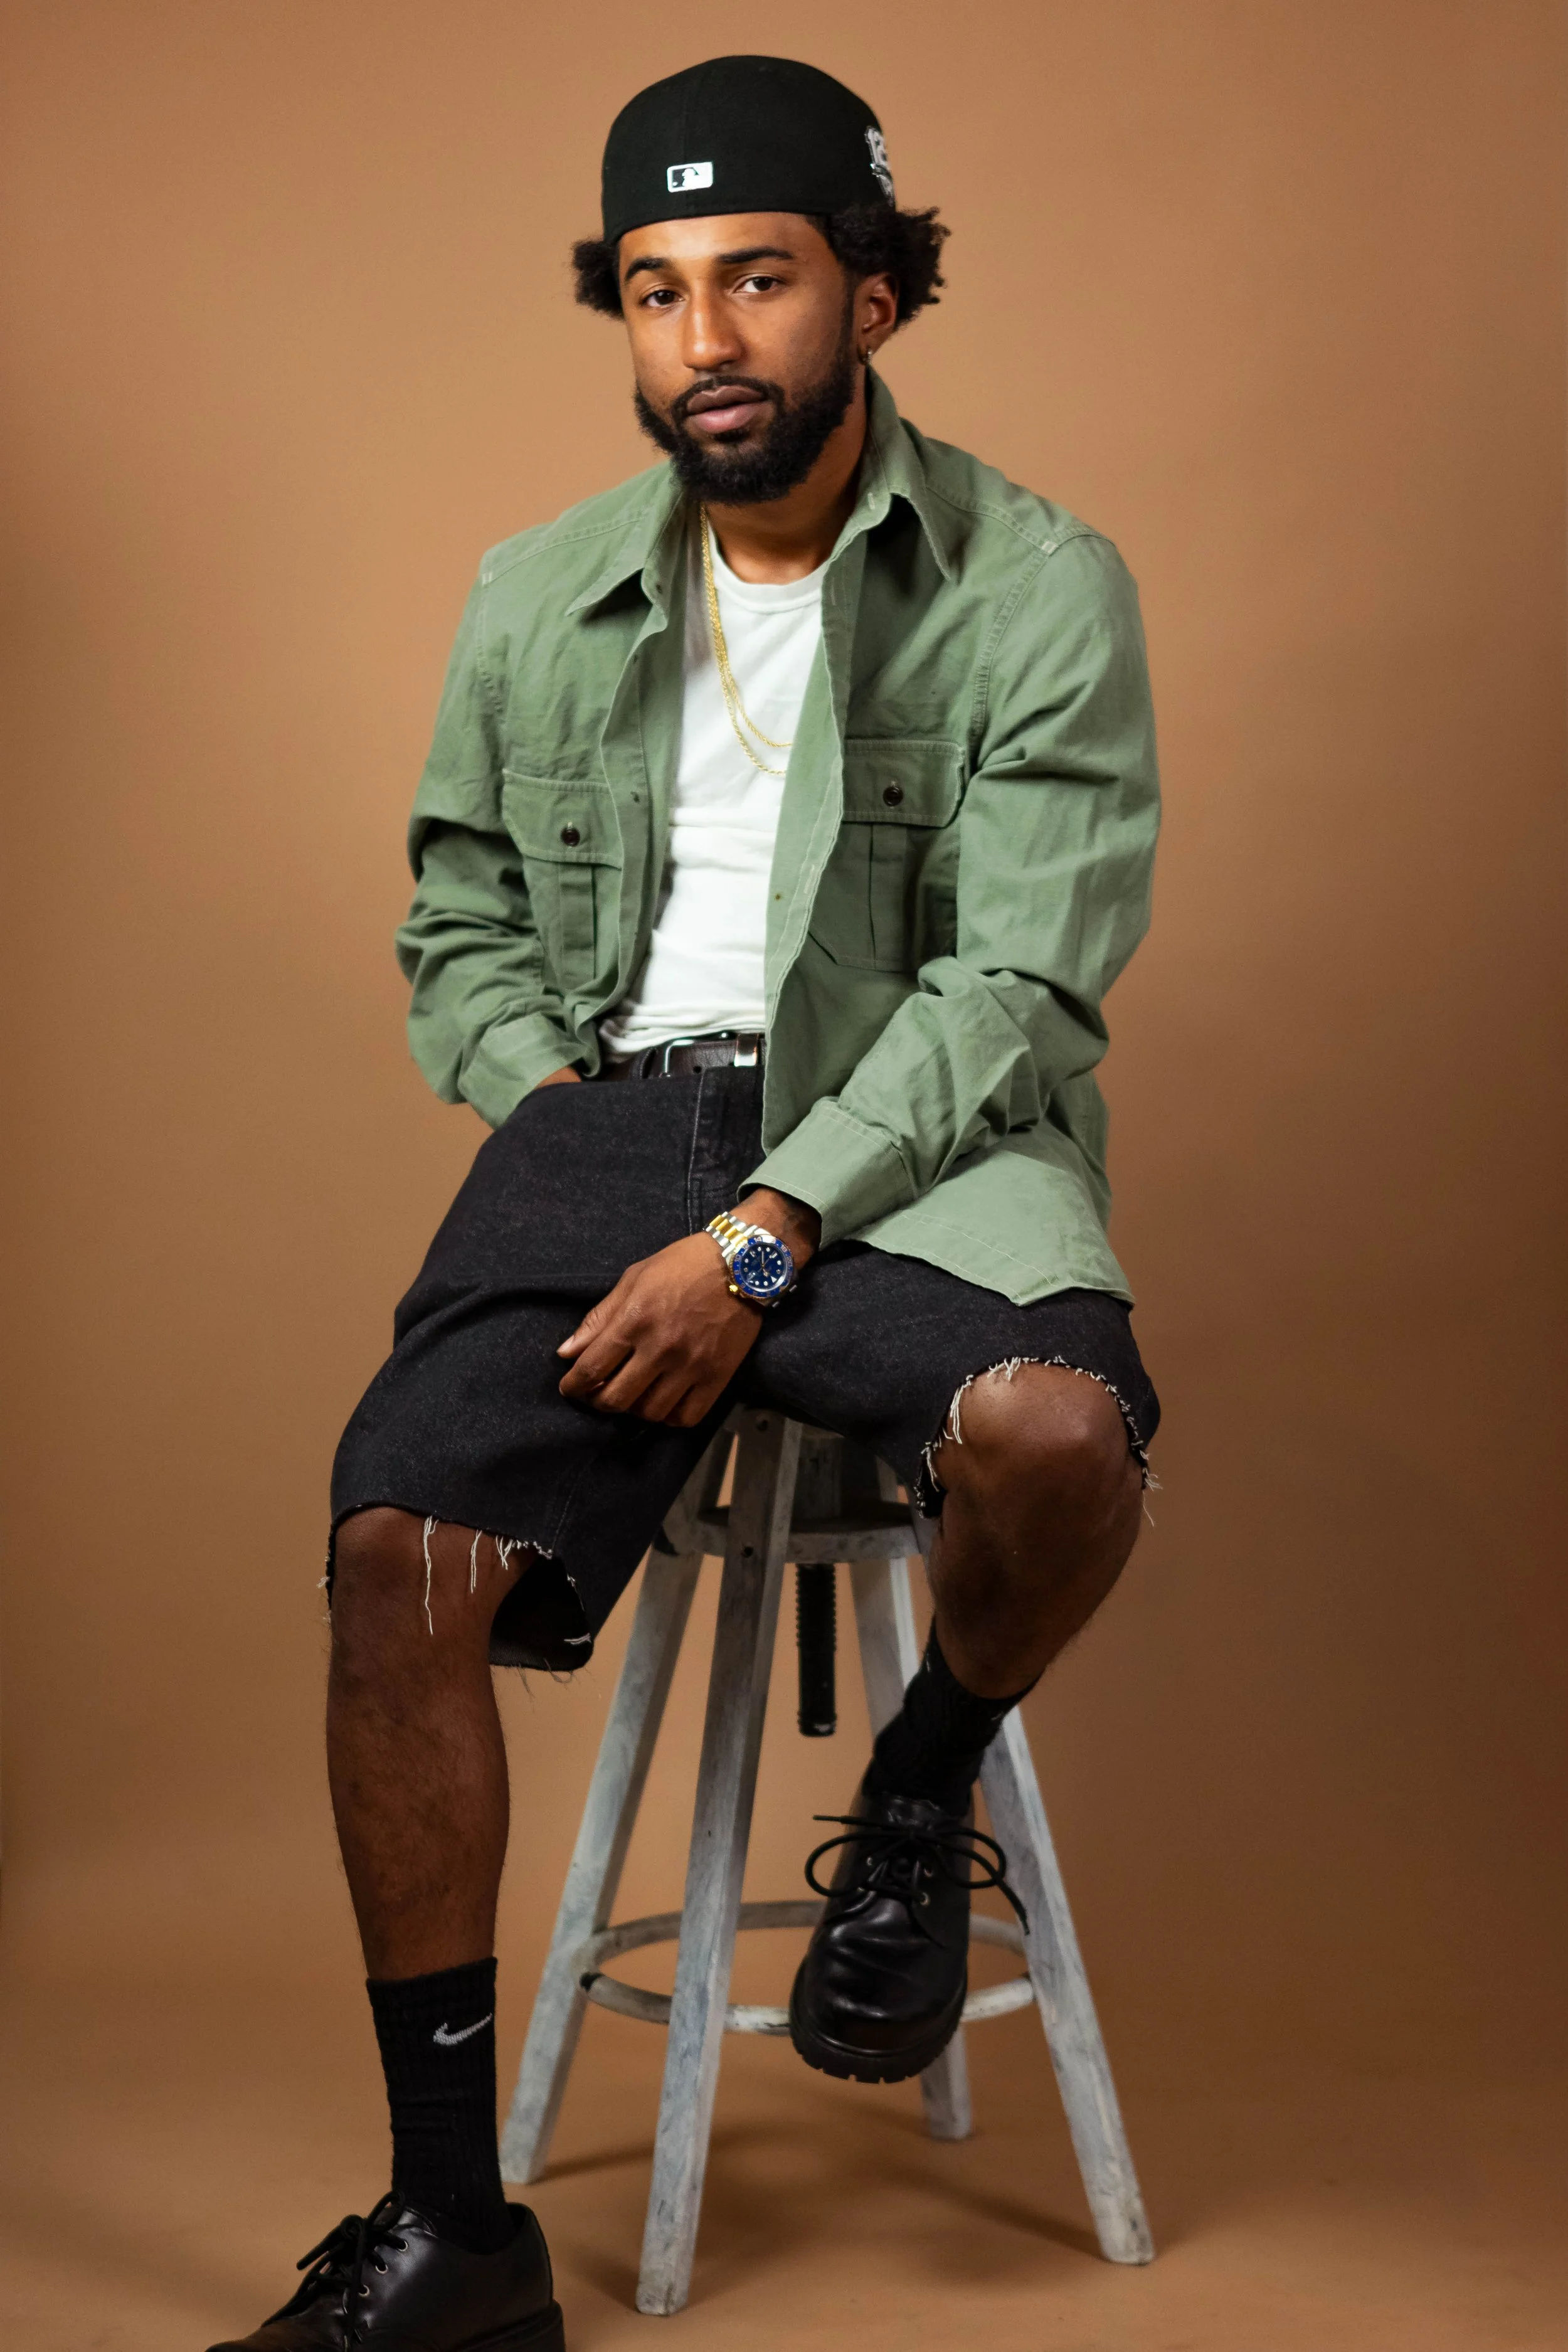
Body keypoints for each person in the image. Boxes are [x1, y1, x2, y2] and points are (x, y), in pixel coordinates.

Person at [211, 53, 1160, 2351]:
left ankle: (917, 1790)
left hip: (923, 1126)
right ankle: (456, 2236)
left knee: (1056, 1435)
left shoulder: (1034, 583)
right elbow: (456, 912)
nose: (706, 339)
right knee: (391, 1555)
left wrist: (765, 1230)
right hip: (622, 1115)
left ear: (876, 294)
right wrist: (579, 1123)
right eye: (655, 290)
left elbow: (1023, 974)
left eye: (758, 278)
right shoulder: (534, 590)